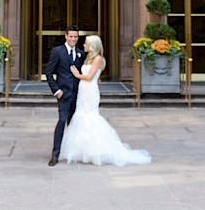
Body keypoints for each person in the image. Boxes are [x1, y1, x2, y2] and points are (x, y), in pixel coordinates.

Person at [60, 35, 152, 166]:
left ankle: (96, 150)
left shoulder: (98, 59)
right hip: (83, 91)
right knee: (81, 116)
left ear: (92, 45)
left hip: (90, 91)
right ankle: (84, 152)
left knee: (91, 117)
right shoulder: (88, 58)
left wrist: (77, 74)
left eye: (86, 43)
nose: (84, 45)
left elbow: (89, 76)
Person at [46, 25, 82, 166]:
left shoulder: (80, 53)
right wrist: (57, 91)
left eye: (75, 37)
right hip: (64, 94)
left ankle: (72, 153)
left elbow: (85, 71)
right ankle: (55, 155)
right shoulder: (57, 51)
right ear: (66, 36)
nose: (73, 39)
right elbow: (49, 73)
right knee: (62, 121)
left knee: (74, 124)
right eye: (71, 36)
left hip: (78, 95)